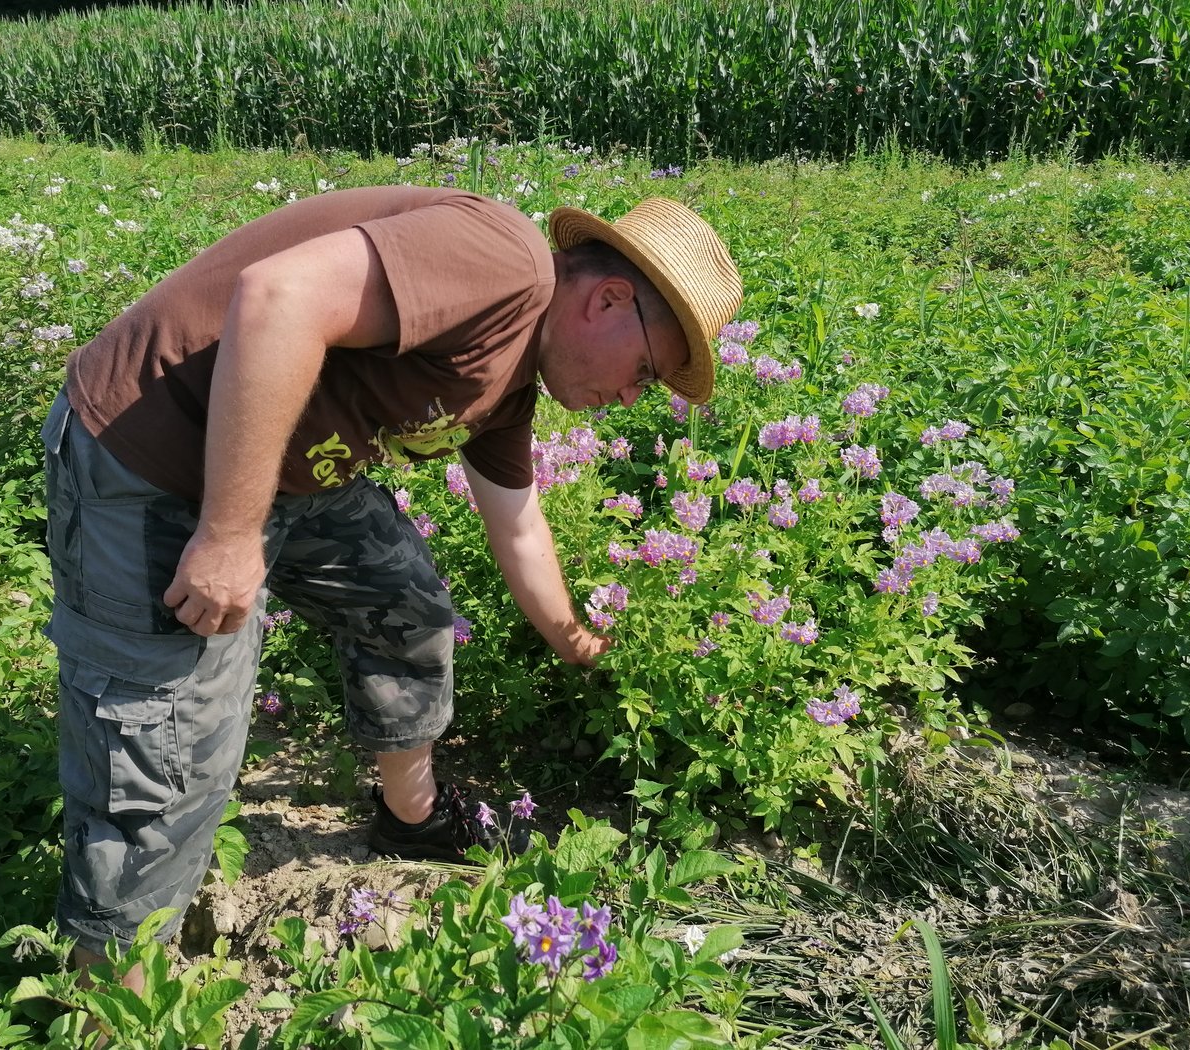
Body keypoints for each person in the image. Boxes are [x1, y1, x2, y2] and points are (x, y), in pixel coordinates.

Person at [40, 185, 741, 979]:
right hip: (153, 457)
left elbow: (517, 523)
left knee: (406, 611)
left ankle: (412, 819)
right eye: (645, 372)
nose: (627, 399)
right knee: (170, 749)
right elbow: (279, 295)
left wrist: (582, 645)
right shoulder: (502, 264)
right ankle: (113, 996)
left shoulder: (509, 386)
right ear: (609, 299)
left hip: (289, 477)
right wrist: (230, 534)